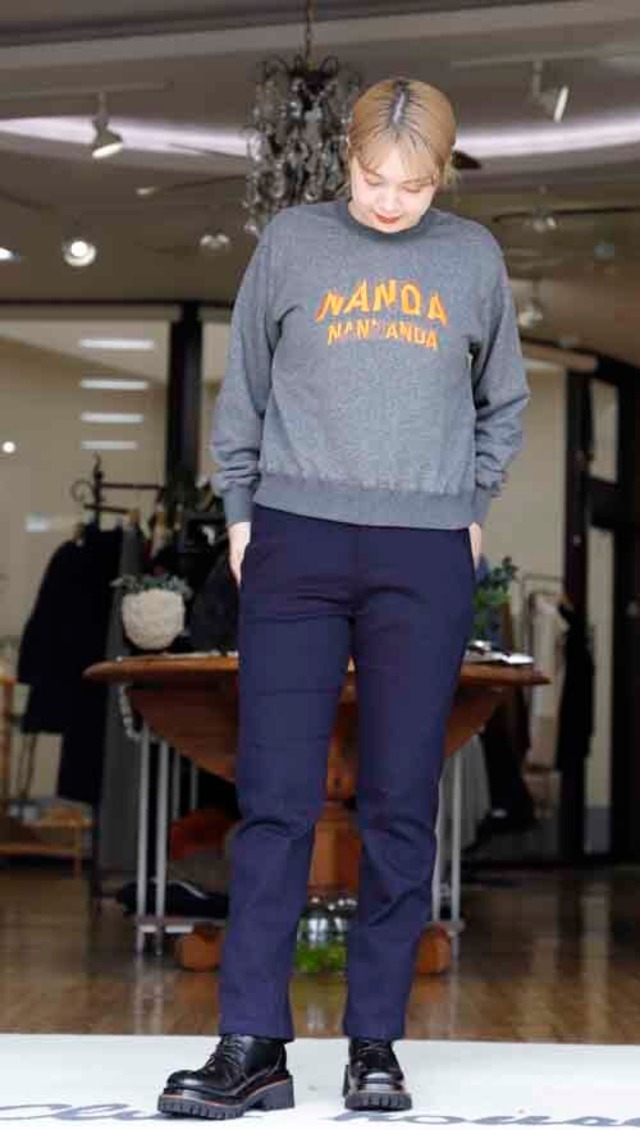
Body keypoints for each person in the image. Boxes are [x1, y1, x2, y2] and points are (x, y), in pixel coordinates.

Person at [158, 76, 530, 1119]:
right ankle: (252, 1044)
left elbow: (502, 399)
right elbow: (246, 388)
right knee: (275, 801)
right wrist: (242, 514)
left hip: (424, 549)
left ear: (441, 176)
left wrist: (469, 504)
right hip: (295, 541)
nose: (390, 202)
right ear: (346, 163)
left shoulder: (471, 258)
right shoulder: (292, 243)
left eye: (413, 186)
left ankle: (376, 1044)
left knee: (399, 802)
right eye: (374, 180)